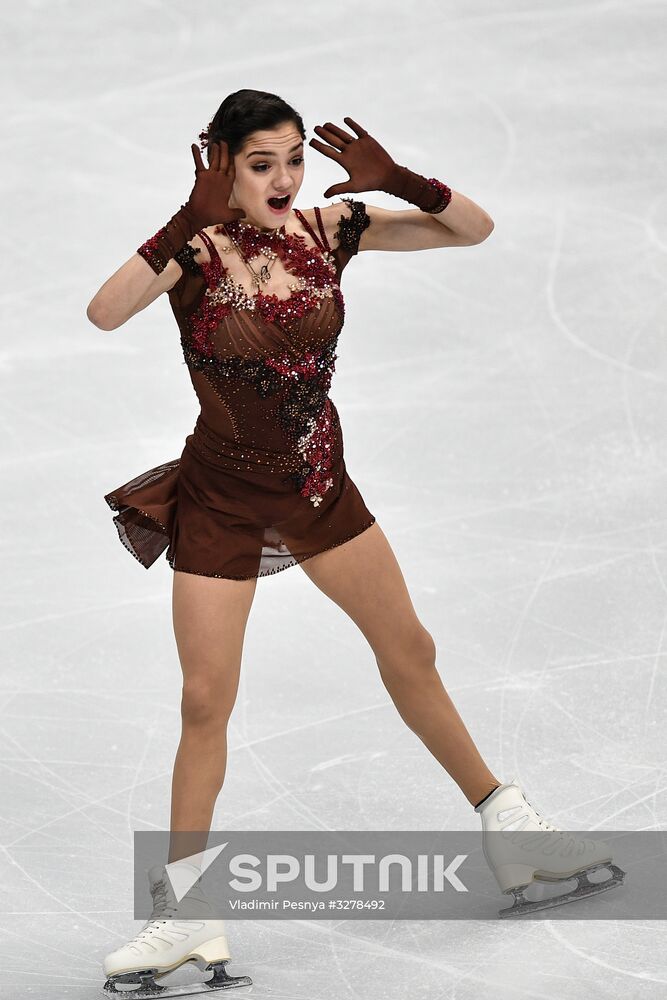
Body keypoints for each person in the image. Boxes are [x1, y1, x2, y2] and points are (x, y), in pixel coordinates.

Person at [88, 90, 624, 997]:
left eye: (293, 159)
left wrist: (402, 181)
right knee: (204, 701)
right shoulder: (191, 247)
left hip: (317, 488)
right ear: (219, 161)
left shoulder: (329, 228)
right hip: (220, 499)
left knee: (410, 652)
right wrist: (189, 213)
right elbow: (105, 313)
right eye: (261, 163)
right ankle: (187, 914)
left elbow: (473, 230)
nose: (284, 178)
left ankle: (513, 832)